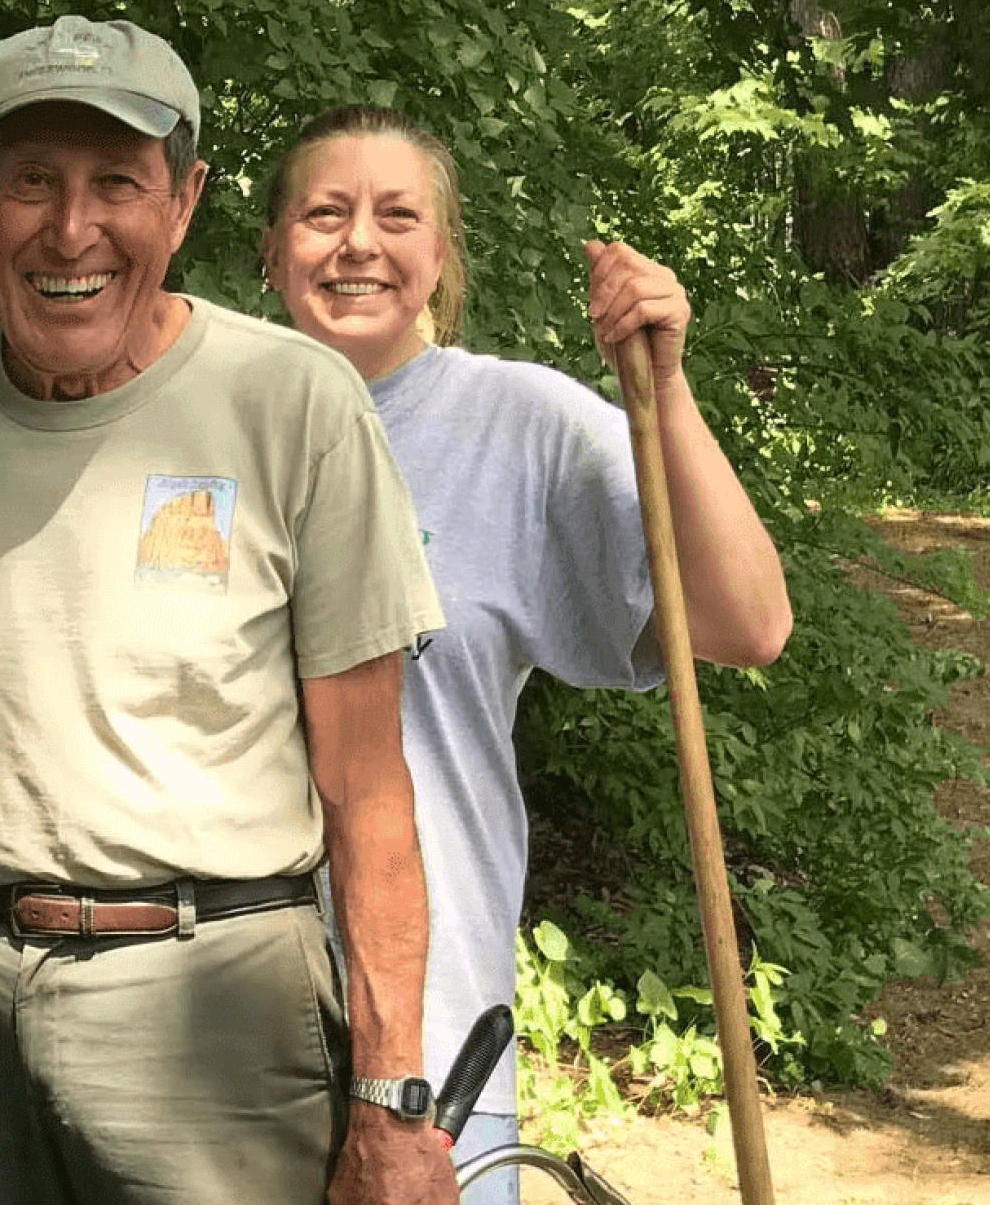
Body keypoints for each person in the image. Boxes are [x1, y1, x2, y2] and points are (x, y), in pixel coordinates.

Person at [0, 16, 453, 1205]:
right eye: (30, 182)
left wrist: (390, 1100)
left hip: (217, 1010)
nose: (71, 230)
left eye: (118, 180)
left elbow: (368, 790)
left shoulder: (293, 405)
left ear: (185, 200)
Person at [256, 104, 791, 1200]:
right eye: (324, 213)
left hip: (432, 1049)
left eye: (396, 216)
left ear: (440, 255)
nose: (358, 241)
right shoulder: (205, 415)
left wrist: (667, 390)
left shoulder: (518, 423)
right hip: (208, 1037)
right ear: (270, 252)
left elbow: (746, 624)